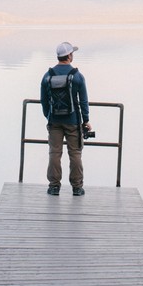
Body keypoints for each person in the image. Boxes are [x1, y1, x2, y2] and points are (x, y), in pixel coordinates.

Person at [40, 41, 92, 196]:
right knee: (75, 154)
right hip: (73, 121)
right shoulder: (77, 76)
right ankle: (77, 187)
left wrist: (49, 115)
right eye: (72, 53)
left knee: (54, 153)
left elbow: (43, 101)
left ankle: (54, 186)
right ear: (69, 56)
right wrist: (86, 120)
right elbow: (83, 101)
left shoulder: (48, 75)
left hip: (54, 121)